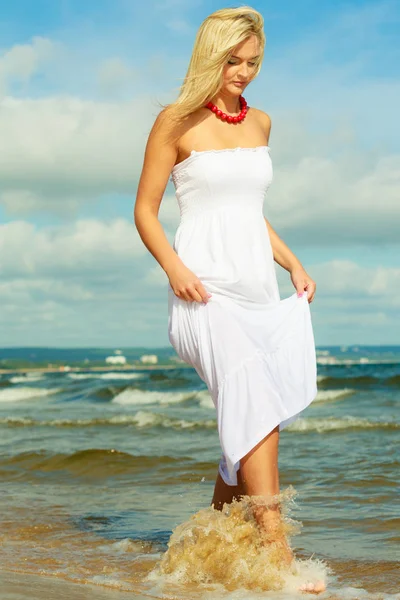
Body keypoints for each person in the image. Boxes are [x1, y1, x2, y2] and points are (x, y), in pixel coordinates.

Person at [134, 6, 325, 594]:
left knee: (252, 414)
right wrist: (174, 268)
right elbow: (145, 210)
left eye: (252, 62)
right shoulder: (175, 121)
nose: (243, 72)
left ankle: (203, 548)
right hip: (204, 293)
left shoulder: (261, 123)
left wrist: (291, 261)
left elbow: (249, 215)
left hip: (256, 290)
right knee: (254, 403)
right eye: (233, 61)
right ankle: (278, 552)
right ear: (210, 57)